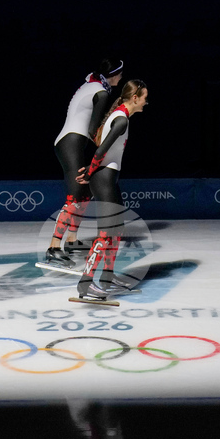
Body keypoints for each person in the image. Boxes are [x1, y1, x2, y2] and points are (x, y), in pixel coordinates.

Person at [44, 58, 124, 268]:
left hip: (71, 141)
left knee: (84, 194)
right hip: (71, 141)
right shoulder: (101, 92)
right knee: (75, 197)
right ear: (113, 75)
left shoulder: (93, 85)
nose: (122, 78)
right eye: (120, 74)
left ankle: (71, 240)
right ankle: (53, 248)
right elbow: (92, 129)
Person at [75, 79, 149, 302]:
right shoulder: (121, 120)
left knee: (117, 231)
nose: (146, 102)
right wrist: (89, 172)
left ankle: (107, 277)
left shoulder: (120, 116)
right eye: (145, 97)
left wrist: (91, 169)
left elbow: (102, 152)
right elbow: (101, 150)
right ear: (134, 98)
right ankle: (85, 284)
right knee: (106, 234)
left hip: (108, 177)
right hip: (103, 179)